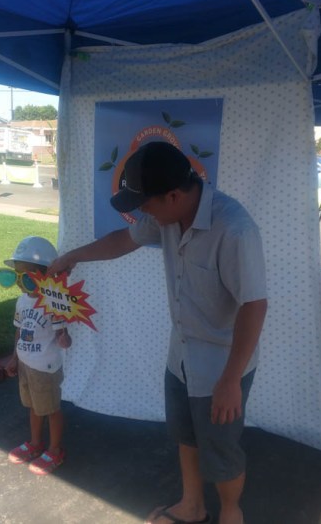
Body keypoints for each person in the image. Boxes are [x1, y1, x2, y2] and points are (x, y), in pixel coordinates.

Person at [48, 141, 268, 524]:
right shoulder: (166, 214)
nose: (142, 214)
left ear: (174, 195)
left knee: (221, 447)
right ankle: (192, 506)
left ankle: (232, 513)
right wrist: (72, 256)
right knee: (186, 434)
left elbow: (255, 304)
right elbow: (123, 240)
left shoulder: (234, 229)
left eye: (145, 205)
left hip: (222, 364)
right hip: (180, 355)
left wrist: (231, 380)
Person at [1, 236, 72, 475]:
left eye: (27, 278)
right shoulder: (22, 301)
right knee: (33, 406)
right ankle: (34, 443)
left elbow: (63, 335)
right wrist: (14, 358)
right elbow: (20, 331)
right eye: (17, 276)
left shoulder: (52, 303)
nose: (20, 283)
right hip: (26, 365)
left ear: (46, 276)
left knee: (51, 409)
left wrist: (65, 338)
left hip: (46, 367)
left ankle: (55, 449)